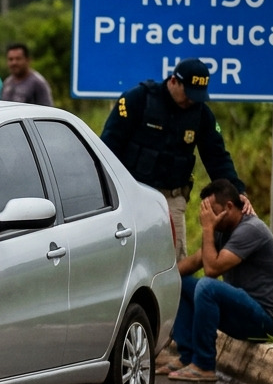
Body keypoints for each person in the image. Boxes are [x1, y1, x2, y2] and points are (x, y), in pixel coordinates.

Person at [100, 58, 244, 261]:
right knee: (126, 257)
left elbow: (217, 156)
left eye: (197, 96)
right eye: (188, 94)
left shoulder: (201, 114)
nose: (191, 101)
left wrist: (238, 192)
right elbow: (108, 147)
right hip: (132, 195)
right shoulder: (138, 99)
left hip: (172, 197)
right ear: (174, 81)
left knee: (173, 261)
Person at [162, 179, 273, 382]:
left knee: (206, 286)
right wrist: (161, 278)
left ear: (229, 206)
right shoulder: (222, 231)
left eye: (212, 210)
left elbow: (211, 269)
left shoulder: (250, 229)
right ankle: (188, 356)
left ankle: (204, 365)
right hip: (244, 311)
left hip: (268, 318)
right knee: (182, 283)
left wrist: (207, 229)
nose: (207, 216)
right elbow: (195, 261)